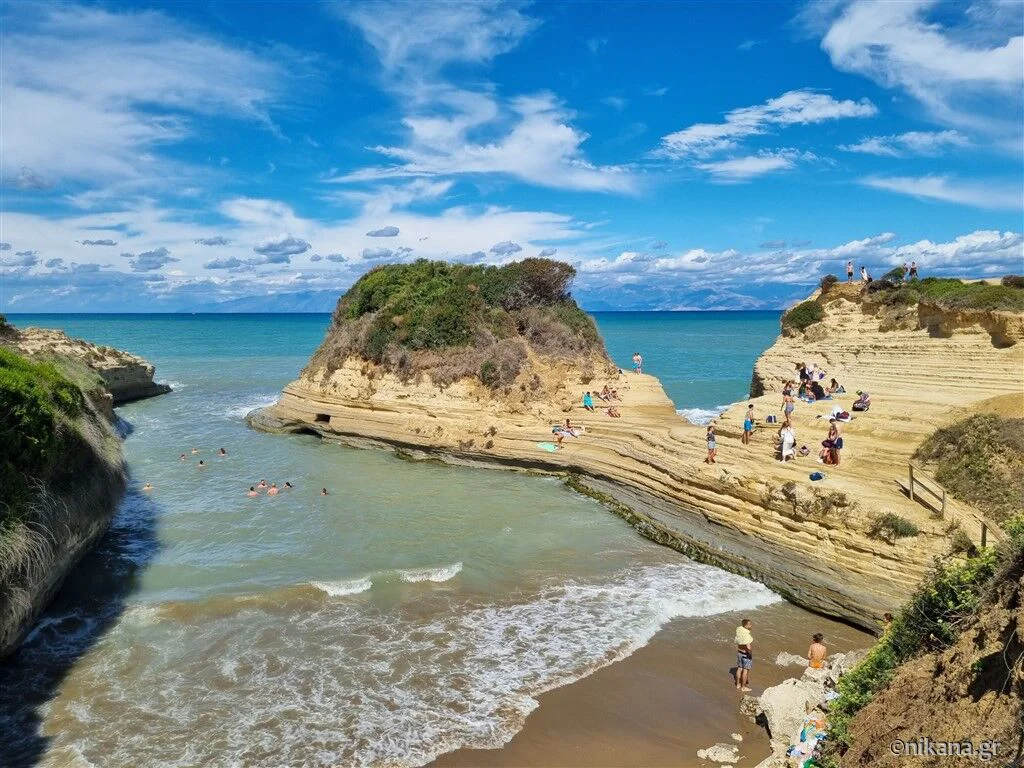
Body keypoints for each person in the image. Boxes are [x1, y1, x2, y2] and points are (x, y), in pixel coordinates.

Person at [735, 619, 754, 691]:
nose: (751, 625)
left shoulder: (740, 631)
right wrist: (750, 653)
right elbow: (748, 647)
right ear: (746, 626)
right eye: (749, 624)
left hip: (739, 652)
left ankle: (737, 684)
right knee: (745, 670)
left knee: (739, 668)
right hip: (746, 654)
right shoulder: (746, 635)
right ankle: (743, 687)